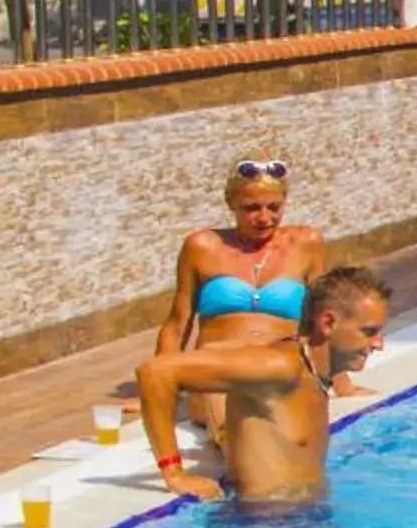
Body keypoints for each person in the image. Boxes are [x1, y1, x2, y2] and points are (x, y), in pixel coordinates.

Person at [134, 266, 390, 506]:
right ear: (328, 323)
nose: (379, 344)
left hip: (300, 524)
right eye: (369, 332)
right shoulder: (282, 367)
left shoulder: (313, 372)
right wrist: (174, 473)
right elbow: (155, 372)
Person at [154, 159, 347, 438]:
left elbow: (323, 318)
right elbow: (177, 323)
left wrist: (340, 379)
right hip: (217, 371)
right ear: (230, 203)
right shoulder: (202, 247)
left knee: (289, 432)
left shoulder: (306, 243)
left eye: (274, 207)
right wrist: (161, 385)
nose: (264, 217)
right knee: (235, 434)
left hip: (279, 368)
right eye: (252, 208)